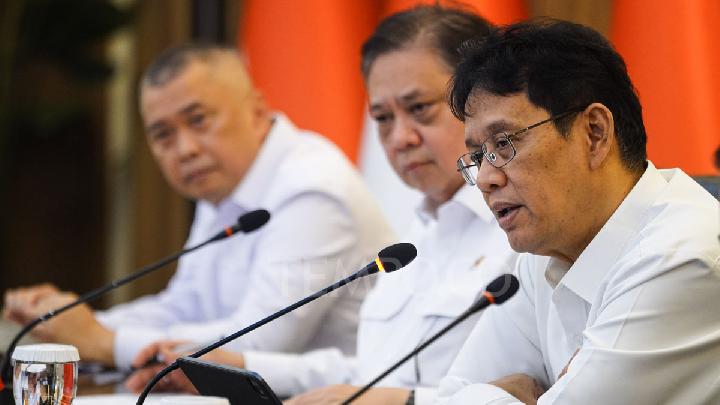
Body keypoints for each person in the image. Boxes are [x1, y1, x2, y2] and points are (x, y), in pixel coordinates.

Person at [126, 6, 517, 405]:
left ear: (480, 100)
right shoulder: (418, 237)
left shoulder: (520, 230)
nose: (400, 138)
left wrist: (399, 401)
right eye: (383, 117)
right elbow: (370, 372)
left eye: (419, 109)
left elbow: (522, 391)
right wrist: (235, 365)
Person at [2, 44, 396, 370]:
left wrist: (105, 342)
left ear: (257, 112)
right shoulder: (226, 183)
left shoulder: (312, 190)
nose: (185, 149)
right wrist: (62, 325)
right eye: (163, 135)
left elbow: (257, 342)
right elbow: (184, 306)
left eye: (198, 120)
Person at [436, 19, 720, 404]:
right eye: (477, 155)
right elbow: (447, 396)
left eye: (503, 143)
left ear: (595, 133)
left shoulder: (683, 259)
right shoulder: (541, 258)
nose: (486, 178)